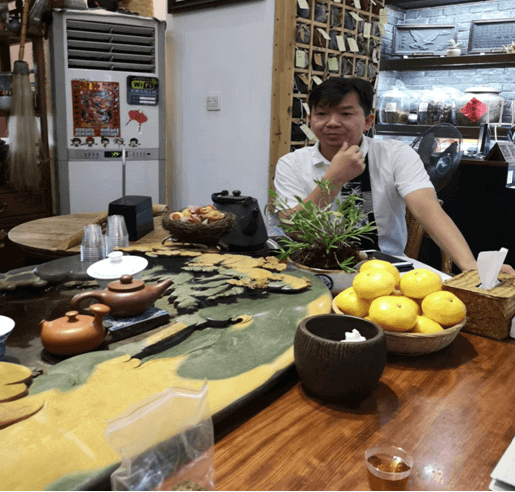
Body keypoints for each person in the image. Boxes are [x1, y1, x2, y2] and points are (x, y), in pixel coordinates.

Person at [273, 77, 515, 275]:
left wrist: (470, 266)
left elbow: (427, 210)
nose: (332, 123)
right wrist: (333, 180)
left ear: (368, 121)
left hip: (388, 268)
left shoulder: (395, 154)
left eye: (346, 114)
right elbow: (293, 229)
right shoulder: (291, 164)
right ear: (310, 120)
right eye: (322, 114)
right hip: (316, 268)